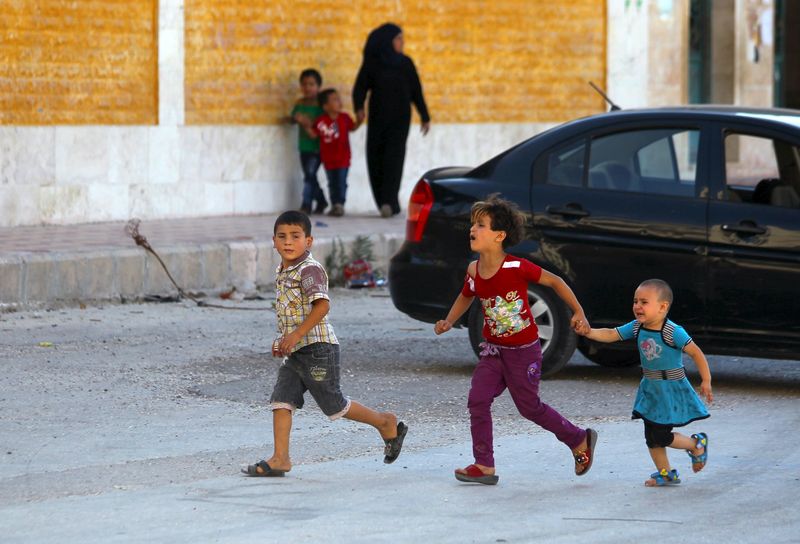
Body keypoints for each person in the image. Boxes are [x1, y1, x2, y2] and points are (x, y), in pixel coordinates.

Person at [433, 195, 597, 485]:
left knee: (529, 407)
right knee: (478, 400)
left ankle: (578, 438)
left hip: (524, 353)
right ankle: (484, 465)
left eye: (481, 225)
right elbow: (466, 295)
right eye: (473, 224)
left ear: (499, 236)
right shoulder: (473, 269)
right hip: (493, 352)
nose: (473, 229)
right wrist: (448, 319)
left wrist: (579, 311)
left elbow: (555, 282)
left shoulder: (516, 267)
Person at [242, 210, 407, 476]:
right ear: (273, 241)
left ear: (309, 241)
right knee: (282, 400)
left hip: (318, 349)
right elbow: (290, 312)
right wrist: (284, 341)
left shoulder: (309, 270)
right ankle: (280, 458)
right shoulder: (283, 270)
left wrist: (295, 336)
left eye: (295, 236)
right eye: (282, 236)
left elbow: (322, 306)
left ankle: (384, 422)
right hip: (297, 351)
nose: (288, 242)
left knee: (334, 405)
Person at [577, 279, 713, 487]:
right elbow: (612, 334)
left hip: (670, 389)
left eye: (644, 302)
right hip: (651, 389)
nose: (637, 306)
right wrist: (589, 332)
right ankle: (666, 473)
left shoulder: (673, 331)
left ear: (662, 307)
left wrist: (706, 379)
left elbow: (695, 352)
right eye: (635, 301)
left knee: (661, 434)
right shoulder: (637, 327)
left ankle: (696, 444)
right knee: (651, 435)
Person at [353, 23, 430, 218]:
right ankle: (383, 201)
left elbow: (416, 91)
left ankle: (390, 200)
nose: (402, 42)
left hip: (400, 119)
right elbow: (360, 87)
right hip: (378, 118)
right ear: (387, 41)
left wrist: (424, 115)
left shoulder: (406, 63)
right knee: (376, 156)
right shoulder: (373, 63)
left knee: (394, 159)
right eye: (398, 39)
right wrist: (359, 108)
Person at [305, 89, 362, 217]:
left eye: (339, 99)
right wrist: (306, 126)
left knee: (341, 182)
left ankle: (339, 204)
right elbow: (314, 135)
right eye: (335, 100)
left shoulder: (345, 118)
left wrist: (359, 121)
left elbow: (352, 128)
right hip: (328, 159)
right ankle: (334, 204)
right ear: (325, 106)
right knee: (331, 183)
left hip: (343, 158)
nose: (339, 102)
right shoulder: (321, 121)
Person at [290, 68, 327, 215]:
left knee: (309, 175)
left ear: (318, 86)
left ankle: (306, 205)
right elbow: (293, 118)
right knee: (310, 176)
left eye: (312, 84)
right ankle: (322, 201)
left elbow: (323, 124)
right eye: (304, 84)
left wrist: (307, 124)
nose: (308, 88)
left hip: (317, 147)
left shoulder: (322, 106)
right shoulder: (300, 103)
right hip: (304, 146)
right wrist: (295, 118)